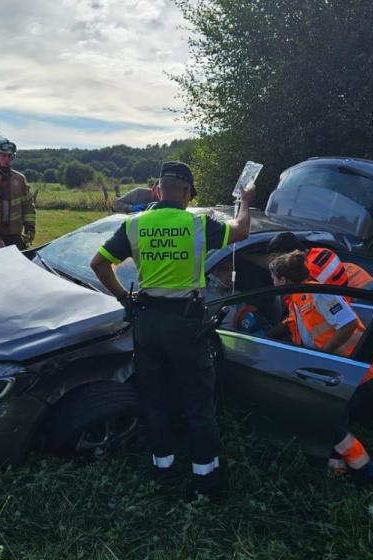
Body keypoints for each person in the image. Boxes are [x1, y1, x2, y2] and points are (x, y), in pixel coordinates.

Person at [90, 161, 256, 501]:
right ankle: (204, 481)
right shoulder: (196, 222)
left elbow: (98, 264)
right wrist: (246, 200)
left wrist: (125, 297)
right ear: (184, 191)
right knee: (198, 403)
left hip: (147, 321)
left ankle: (162, 470)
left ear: (157, 189)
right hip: (185, 324)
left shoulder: (135, 223)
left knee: (154, 399)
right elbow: (241, 231)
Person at [268, 250, 373, 485]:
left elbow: (348, 323)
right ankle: (337, 472)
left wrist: (324, 357)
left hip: (355, 368)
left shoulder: (318, 294)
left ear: (283, 280)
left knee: (330, 424)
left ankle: (366, 473)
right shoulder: (298, 298)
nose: (271, 283)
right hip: (340, 372)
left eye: (273, 278)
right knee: (333, 421)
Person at [266, 232, 373, 291]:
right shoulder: (321, 251)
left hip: (359, 301)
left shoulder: (306, 271)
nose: (276, 261)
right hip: (365, 287)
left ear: (289, 254)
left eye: (276, 256)